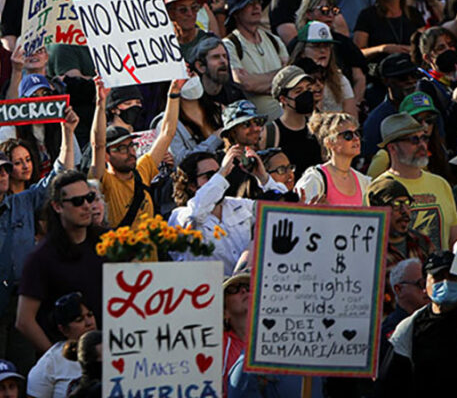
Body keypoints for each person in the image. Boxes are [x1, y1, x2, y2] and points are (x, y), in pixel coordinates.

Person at [0, 109, 79, 370]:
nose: (4, 175)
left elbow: (61, 173)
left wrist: (67, 132)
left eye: (6, 170)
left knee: (25, 367)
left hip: (23, 301)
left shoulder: (24, 201)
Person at [16, 170, 104, 354]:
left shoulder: (108, 242)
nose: (86, 206)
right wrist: (58, 359)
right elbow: (24, 321)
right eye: (77, 201)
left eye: (89, 198)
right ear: (57, 206)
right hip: (69, 356)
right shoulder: (41, 257)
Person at [378, 251, 457, 398]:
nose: (446, 282)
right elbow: (392, 382)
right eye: (438, 277)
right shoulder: (409, 328)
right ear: (425, 285)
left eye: (453, 277)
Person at [167, 147, 279, 274]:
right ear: (192, 185)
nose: (219, 179)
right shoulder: (180, 215)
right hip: (206, 285)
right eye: (210, 176)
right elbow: (195, 213)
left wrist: (263, 178)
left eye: (219, 173)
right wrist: (222, 172)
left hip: (244, 284)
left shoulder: (239, 205)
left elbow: (280, 212)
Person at [90, 79, 185, 227]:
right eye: (121, 148)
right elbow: (98, 145)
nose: (130, 152)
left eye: (131, 146)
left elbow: (167, 133)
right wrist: (100, 104)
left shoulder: (142, 171)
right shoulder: (104, 181)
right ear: (106, 156)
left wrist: (174, 92)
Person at [375, 113, 457, 251]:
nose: (422, 145)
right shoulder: (378, 189)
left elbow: (455, 241)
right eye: (414, 140)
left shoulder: (441, 184)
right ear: (392, 148)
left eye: (424, 138)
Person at [223, 0, 287, 120]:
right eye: (249, 4)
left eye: (258, 3)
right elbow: (245, 83)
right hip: (257, 124)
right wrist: (279, 78)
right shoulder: (229, 44)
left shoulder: (274, 40)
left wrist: (257, 80)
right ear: (236, 13)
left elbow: (290, 77)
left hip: (287, 119)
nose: (256, 7)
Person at [367, 177, 435, 292]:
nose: (404, 211)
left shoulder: (421, 242)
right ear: (378, 210)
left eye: (407, 203)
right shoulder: (370, 250)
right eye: (396, 204)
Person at [26, 292, 96, 398]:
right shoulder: (50, 363)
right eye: (79, 320)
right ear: (63, 329)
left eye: (90, 315)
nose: (89, 323)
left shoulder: (111, 348)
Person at [296, 111, 370, 204]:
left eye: (357, 133)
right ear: (329, 142)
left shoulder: (363, 182)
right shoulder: (315, 179)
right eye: (348, 135)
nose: (356, 138)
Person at [267, 65, 324, 173]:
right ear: (283, 99)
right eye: (298, 91)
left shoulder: (318, 128)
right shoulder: (271, 133)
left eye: (308, 89)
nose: (306, 94)